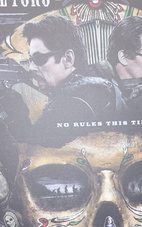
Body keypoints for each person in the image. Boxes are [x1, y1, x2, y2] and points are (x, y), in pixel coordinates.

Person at [22, 15, 125, 145]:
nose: (31, 68)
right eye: (31, 59)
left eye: (38, 59)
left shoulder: (78, 98)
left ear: (68, 59)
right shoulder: (90, 89)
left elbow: (39, 148)